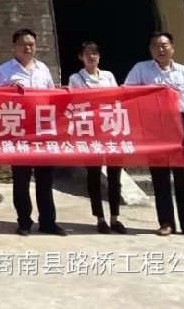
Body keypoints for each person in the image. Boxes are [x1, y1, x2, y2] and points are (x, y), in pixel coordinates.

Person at [124, 31, 184, 240]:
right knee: (160, 178)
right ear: (150, 49)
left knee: (183, 179)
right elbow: (128, 95)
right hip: (155, 128)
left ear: (172, 48)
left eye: (164, 45)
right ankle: (166, 223)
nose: (160, 49)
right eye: (155, 46)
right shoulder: (141, 70)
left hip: (180, 126)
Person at [0, 28, 65, 236]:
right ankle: (24, 222)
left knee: (45, 180)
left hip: (43, 132)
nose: (27, 48)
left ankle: (48, 222)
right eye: (23, 44)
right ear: (13, 47)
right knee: (21, 180)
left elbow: (52, 97)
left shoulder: (43, 69)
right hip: (18, 133)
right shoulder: (4, 71)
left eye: (31, 44)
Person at [67, 41, 127, 234]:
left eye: (95, 53)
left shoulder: (108, 76)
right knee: (93, 175)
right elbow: (76, 101)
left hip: (111, 130)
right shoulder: (75, 78)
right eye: (87, 53)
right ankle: (100, 218)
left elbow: (116, 98)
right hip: (90, 133)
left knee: (115, 176)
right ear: (80, 57)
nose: (91, 56)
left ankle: (115, 218)